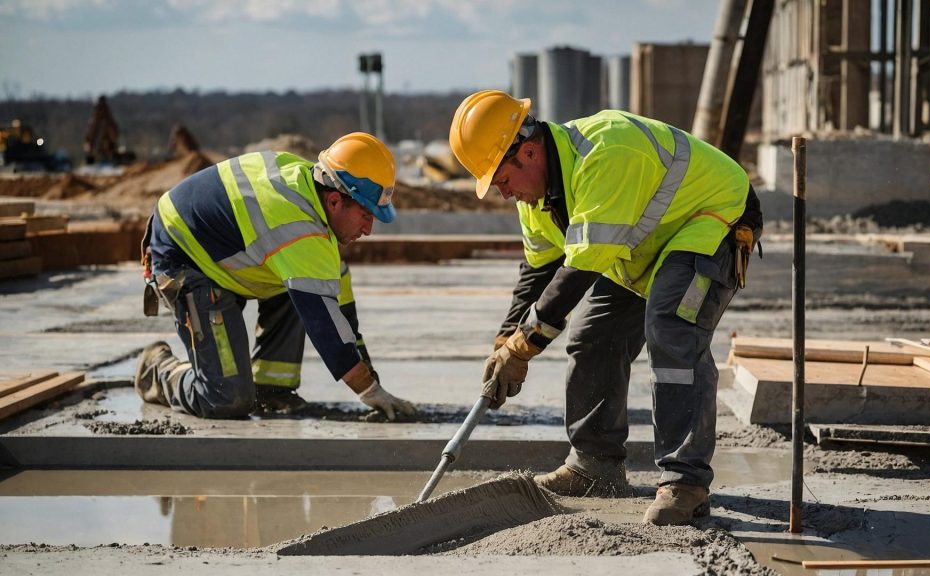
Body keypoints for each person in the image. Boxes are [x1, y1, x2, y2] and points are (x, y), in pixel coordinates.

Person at [449, 90, 762, 525]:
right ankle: (595, 467)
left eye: (501, 181)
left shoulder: (607, 152)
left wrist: (523, 348)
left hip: (712, 220)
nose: (504, 194)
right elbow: (538, 273)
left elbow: (576, 275)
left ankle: (685, 481)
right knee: (592, 336)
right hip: (644, 251)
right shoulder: (537, 200)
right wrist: (504, 341)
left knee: (671, 328)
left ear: (529, 152)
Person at [134, 132, 417, 421]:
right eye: (366, 216)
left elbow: (342, 318)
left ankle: (271, 390)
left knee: (306, 288)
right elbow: (326, 329)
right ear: (334, 201)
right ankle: (158, 370)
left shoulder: (312, 195)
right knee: (225, 397)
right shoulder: (298, 228)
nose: (368, 230)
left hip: (221, 247)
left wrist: (371, 377)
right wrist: (368, 390)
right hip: (183, 257)